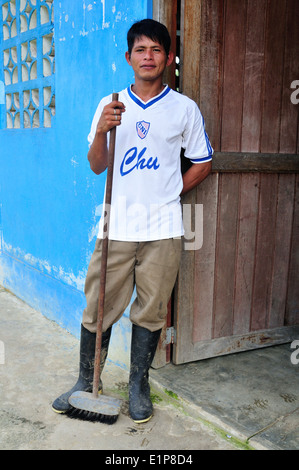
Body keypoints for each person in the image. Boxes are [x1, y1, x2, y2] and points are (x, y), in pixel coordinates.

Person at [52, 18, 213, 424]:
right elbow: (96, 166)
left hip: (164, 230)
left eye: (157, 50)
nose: (148, 56)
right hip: (116, 226)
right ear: (129, 57)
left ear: (169, 58)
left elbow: (203, 163)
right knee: (98, 306)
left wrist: (170, 193)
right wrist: (103, 132)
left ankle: (138, 385)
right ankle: (85, 382)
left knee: (152, 310)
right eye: (141, 50)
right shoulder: (111, 104)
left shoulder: (184, 108)